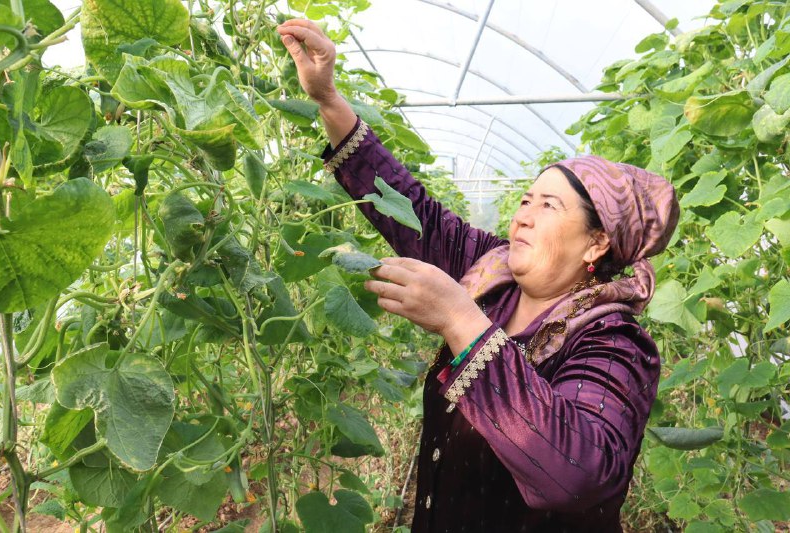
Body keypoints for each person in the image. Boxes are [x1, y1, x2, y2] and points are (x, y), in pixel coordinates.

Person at [277, 19, 680, 533]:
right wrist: (329, 99)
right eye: (526, 200)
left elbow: (578, 473)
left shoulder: (614, 344)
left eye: (549, 205)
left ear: (597, 242)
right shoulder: (494, 275)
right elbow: (414, 210)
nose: (523, 216)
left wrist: (460, 321)